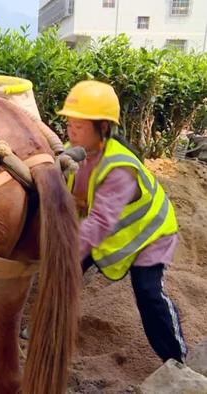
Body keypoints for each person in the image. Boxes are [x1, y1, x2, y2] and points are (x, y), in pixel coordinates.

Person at [60, 80, 187, 363]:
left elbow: (99, 223)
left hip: (150, 235)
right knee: (66, 276)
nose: (71, 131)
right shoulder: (76, 152)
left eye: (78, 126)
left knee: (148, 293)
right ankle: (53, 327)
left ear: (103, 127)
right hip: (109, 234)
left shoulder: (120, 168)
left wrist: (63, 251)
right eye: (68, 123)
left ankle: (176, 359)